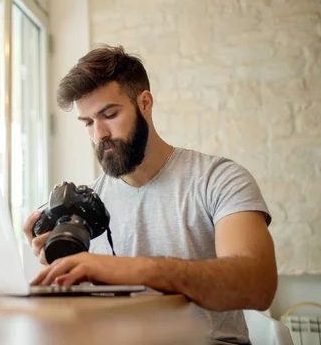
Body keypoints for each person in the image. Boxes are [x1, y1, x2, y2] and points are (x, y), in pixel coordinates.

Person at [22, 45, 278, 345]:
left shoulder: (218, 179)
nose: (98, 134)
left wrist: (138, 269)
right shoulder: (87, 207)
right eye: (88, 122)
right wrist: (58, 266)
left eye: (109, 114)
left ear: (145, 103)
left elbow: (258, 285)